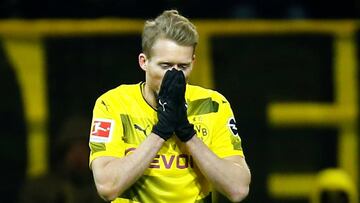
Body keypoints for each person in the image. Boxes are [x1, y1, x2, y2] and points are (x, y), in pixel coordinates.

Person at [89, 9, 251, 203]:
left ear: (193, 63)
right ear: (144, 62)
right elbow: (107, 187)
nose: (174, 76)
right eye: (165, 66)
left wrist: (187, 134)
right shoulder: (113, 104)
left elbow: (238, 189)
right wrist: (160, 132)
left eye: (182, 67)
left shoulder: (212, 105)